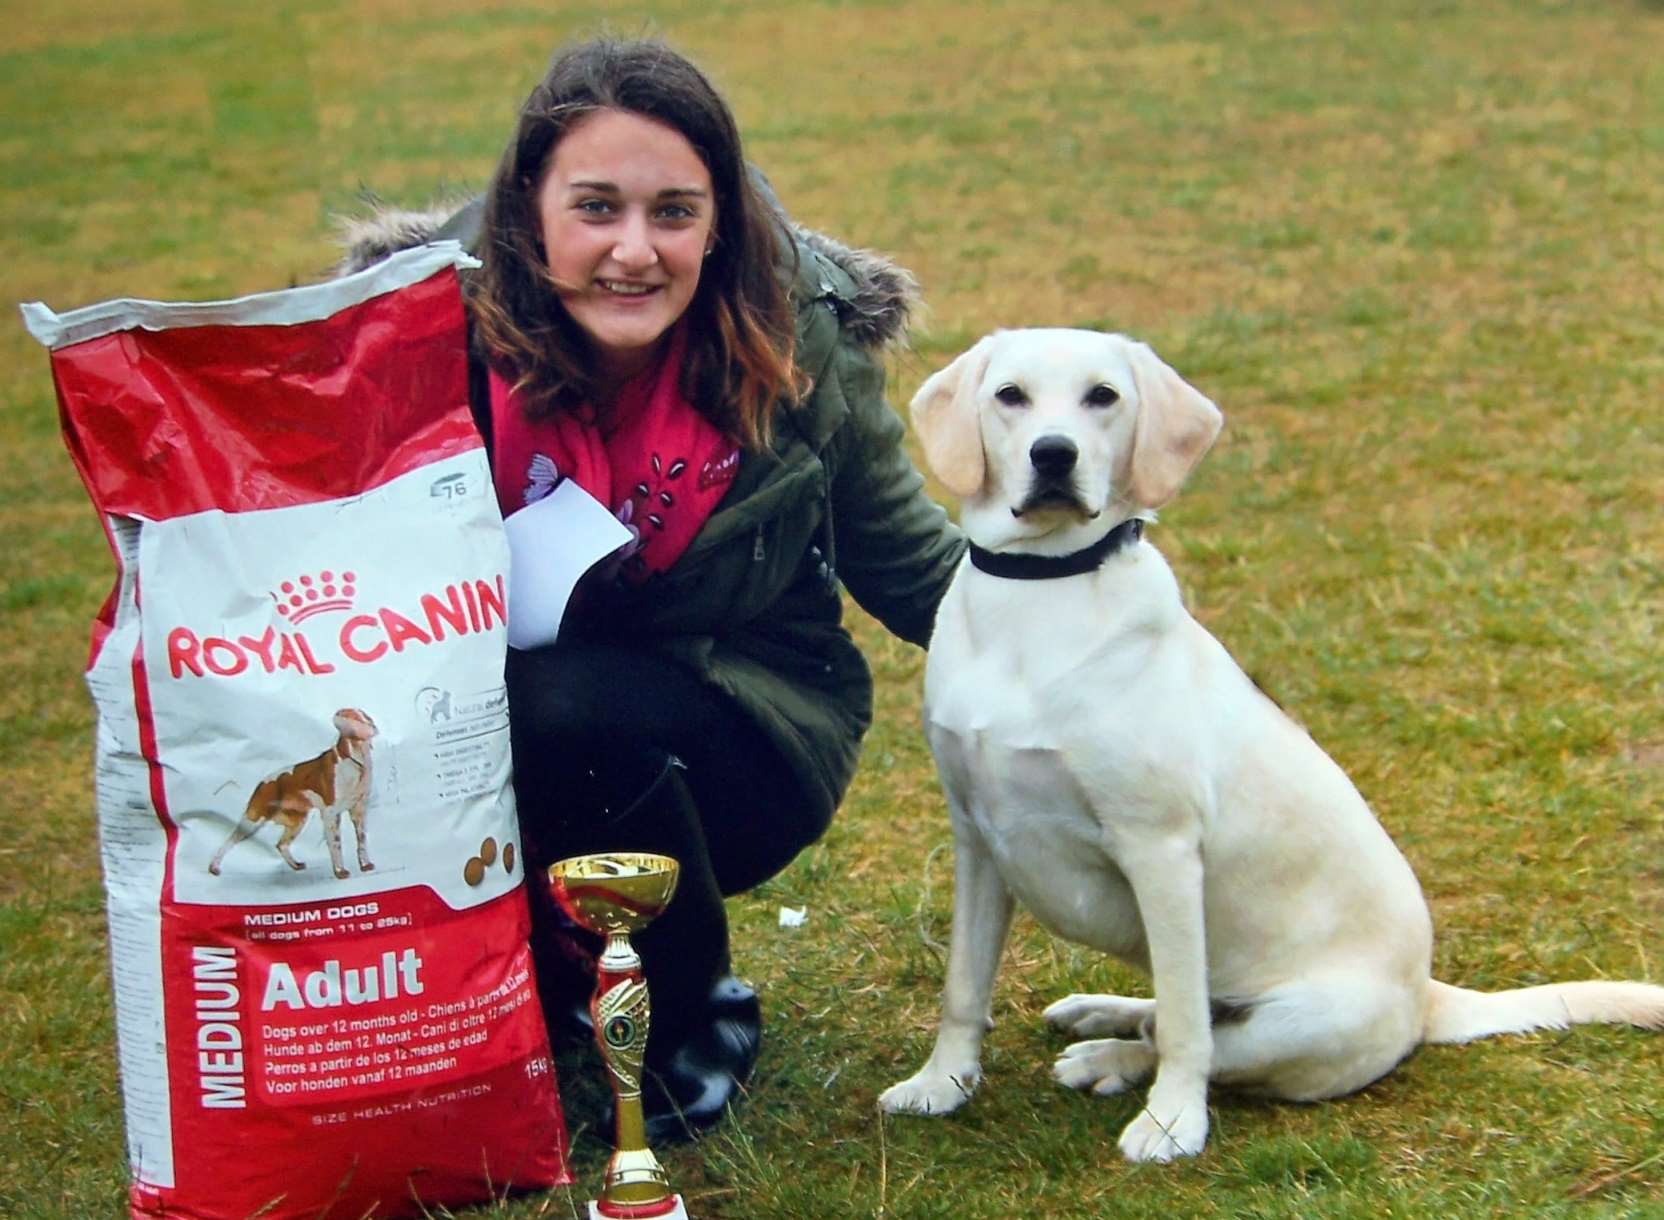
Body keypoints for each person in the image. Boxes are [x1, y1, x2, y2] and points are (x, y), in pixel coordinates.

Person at [338, 36, 964, 1141]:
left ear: (717, 221)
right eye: (596, 208)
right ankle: (510, 989)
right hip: (468, 742)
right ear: (528, 211)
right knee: (491, 710)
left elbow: (916, 570)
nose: (635, 251)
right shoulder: (418, 335)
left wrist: (1121, 647)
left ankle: (690, 1011)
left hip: (740, 730)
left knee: (560, 697)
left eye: (673, 212)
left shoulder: (798, 339)